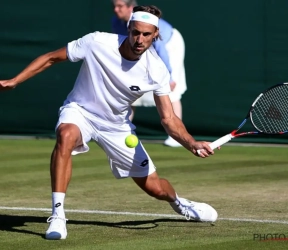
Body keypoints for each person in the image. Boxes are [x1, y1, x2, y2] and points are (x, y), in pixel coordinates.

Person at [0, 5, 218, 240]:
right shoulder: (97, 42)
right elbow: (51, 58)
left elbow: (168, 118)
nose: (139, 39)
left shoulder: (156, 70)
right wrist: (15, 80)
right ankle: (58, 215)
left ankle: (179, 203)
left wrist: (191, 142)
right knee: (66, 135)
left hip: (117, 126)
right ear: (129, 28)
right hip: (81, 111)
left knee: (155, 187)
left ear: (155, 35)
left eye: (146, 34)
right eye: (136, 32)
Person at [111, 0, 187, 147]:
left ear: (130, 7)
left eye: (120, 6)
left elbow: (160, 49)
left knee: (172, 91)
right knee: (128, 89)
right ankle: (122, 132)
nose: (116, 9)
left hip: (169, 44)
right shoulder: (116, 22)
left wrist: (169, 77)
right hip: (143, 48)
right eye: (114, 6)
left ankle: (176, 137)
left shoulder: (147, 26)